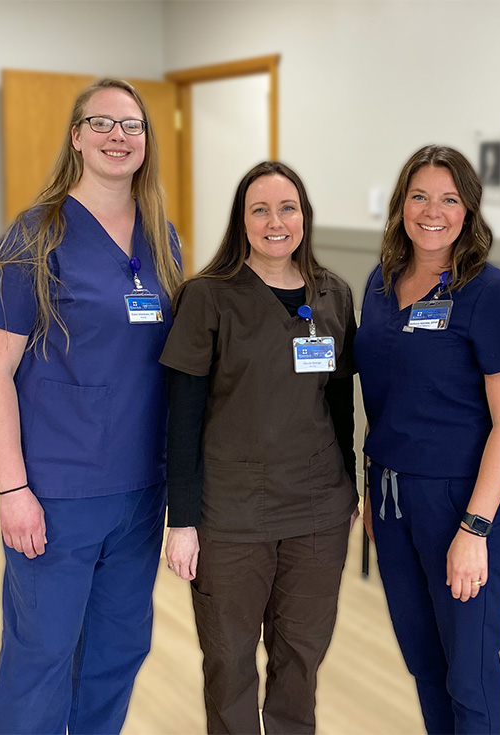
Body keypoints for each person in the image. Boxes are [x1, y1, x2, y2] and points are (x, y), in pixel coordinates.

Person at [0, 78, 183, 734]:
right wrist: (13, 487)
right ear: (77, 137)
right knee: (42, 655)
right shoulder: (35, 235)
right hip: (57, 491)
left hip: (142, 487)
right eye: (103, 123)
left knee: (118, 650)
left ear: (147, 141)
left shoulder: (161, 238)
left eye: (133, 125)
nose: (119, 136)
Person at [161, 161, 358, 735]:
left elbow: (341, 408)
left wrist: (348, 491)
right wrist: (183, 519)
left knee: (302, 656)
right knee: (229, 660)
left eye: (288, 208)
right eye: (260, 209)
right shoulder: (208, 297)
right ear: (241, 221)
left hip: (317, 508)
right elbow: (182, 415)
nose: (276, 222)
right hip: (231, 512)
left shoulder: (333, 294)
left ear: (305, 216)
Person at [354, 145, 500, 734]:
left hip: (461, 502)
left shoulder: (492, 293)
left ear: (469, 210)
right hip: (391, 497)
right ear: (401, 204)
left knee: (470, 674)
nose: (433, 211)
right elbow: (378, 404)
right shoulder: (380, 286)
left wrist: (475, 528)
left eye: (449, 198)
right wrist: (372, 492)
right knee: (425, 664)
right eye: (420, 196)